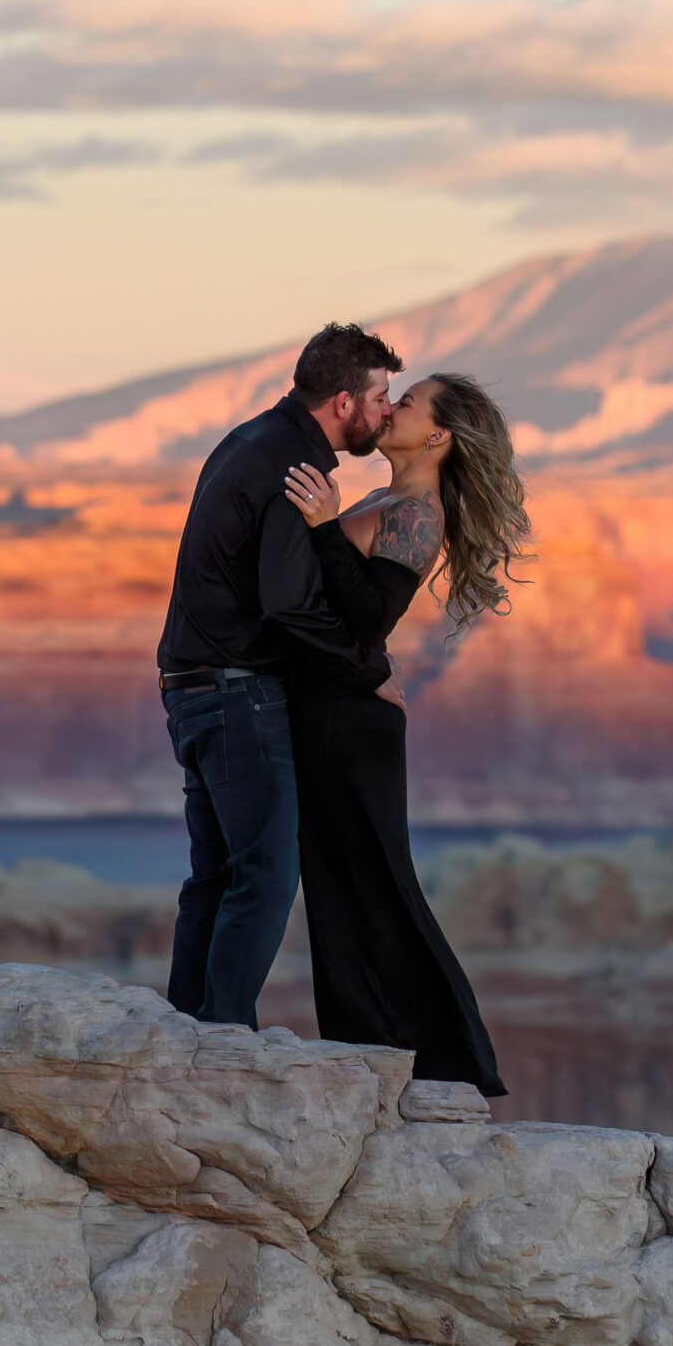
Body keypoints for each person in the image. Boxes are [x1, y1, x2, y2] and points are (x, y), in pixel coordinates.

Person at [281, 371, 528, 1095]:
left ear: (437, 435)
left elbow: (364, 617)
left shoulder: (416, 509)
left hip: (350, 729)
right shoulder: (385, 497)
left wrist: (324, 529)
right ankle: (372, 1052)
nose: (389, 409)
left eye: (407, 403)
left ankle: (447, 1061)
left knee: (377, 883)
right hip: (336, 710)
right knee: (335, 885)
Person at [157, 321, 402, 1024]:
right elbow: (289, 605)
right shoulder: (297, 470)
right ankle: (223, 1035)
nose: (388, 410)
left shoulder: (250, 438)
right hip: (237, 696)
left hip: (190, 689)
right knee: (264, 876)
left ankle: (185, 1031)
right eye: (381, 397)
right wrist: (365, 670)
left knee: (215, 875)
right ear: (344, 404)